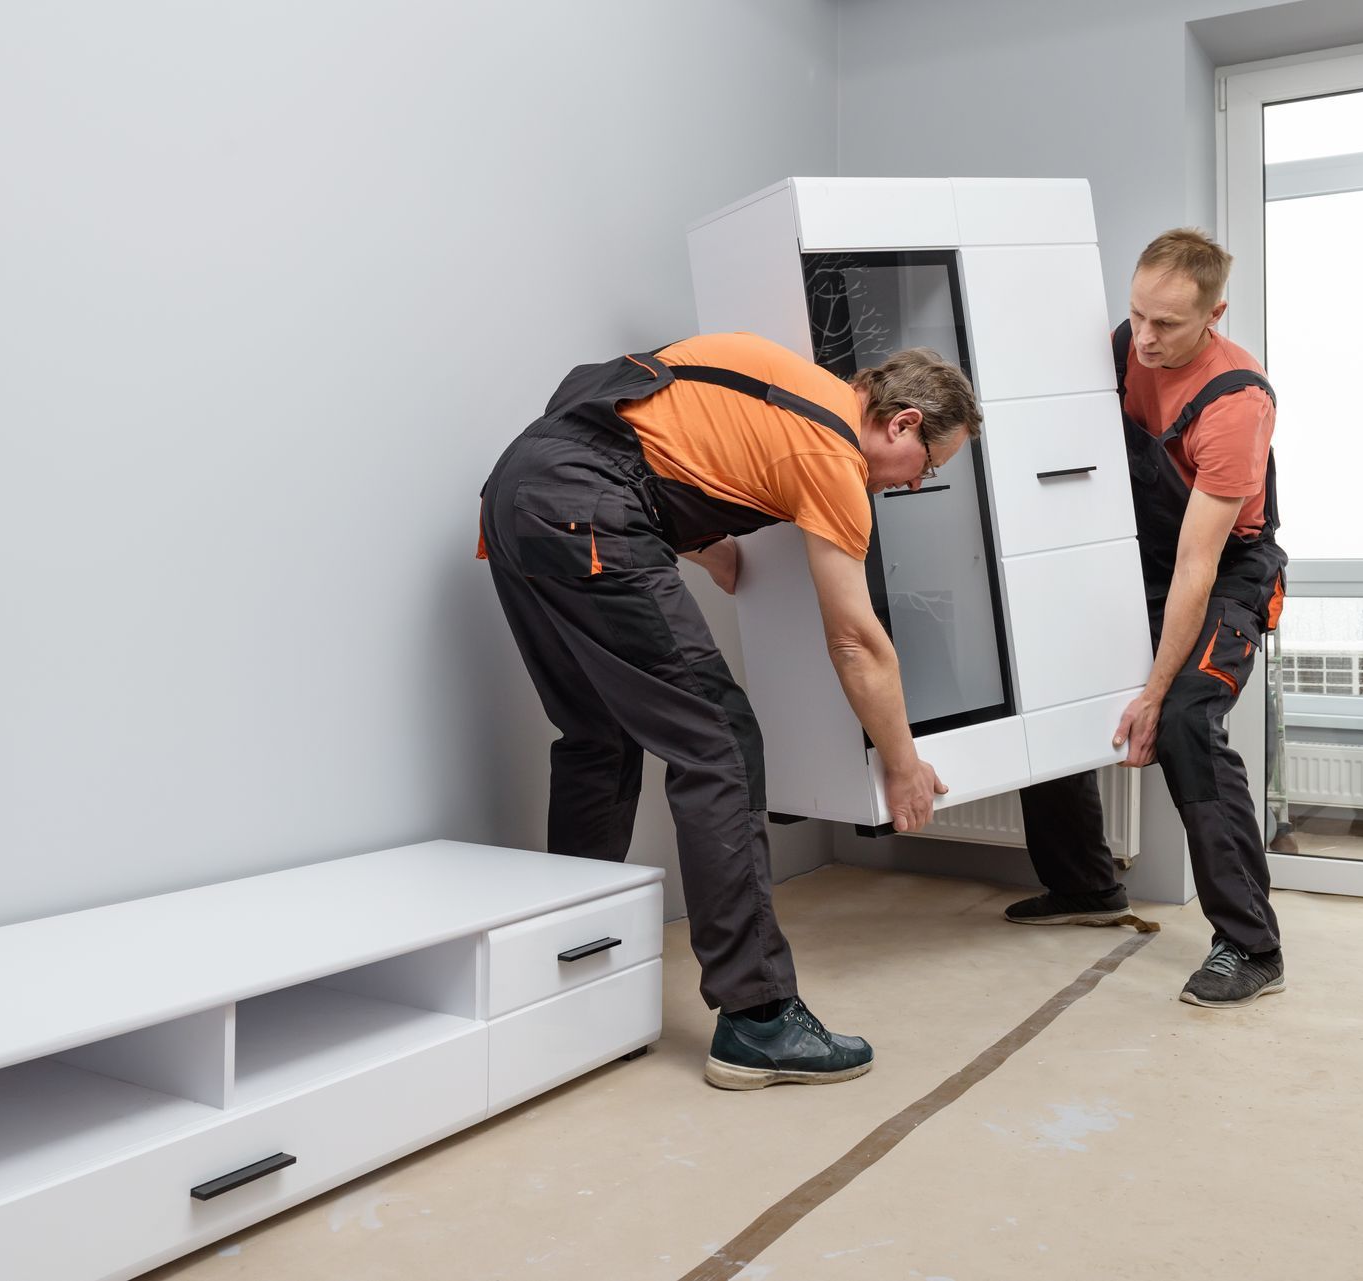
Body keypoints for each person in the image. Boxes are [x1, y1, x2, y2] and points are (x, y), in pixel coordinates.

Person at [477, 332, 980, 1088]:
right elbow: (856, 642)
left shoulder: (786, 380)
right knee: (720, 743)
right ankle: (759, 1016)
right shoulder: (833, 456)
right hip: (587, 511)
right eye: (928, 467)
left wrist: (705, 545)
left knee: (598, 737)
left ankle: (567, 980)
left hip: (518, 493)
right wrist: (903, 765)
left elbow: (646, 417)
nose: (913, 486)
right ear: (902, 423)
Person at [1006, 229, 1288, 1009]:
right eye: (1139, 316)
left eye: (1168, 324)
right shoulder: (1131, 341)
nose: (1147, 339)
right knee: (1050, 675)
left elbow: (1199, 565)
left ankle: (1251, 944)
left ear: (1215, 313)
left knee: (1188, 721)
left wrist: (1156, 692)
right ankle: (1084, 884)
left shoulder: (1235, 402)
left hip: (1225, 572)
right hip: (1140, 557)